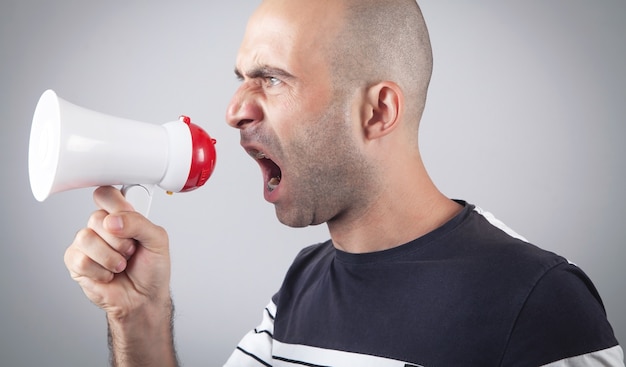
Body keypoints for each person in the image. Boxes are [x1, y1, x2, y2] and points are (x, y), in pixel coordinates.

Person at [63, 0, 624, 366]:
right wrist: (139, 316)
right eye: (240, 80)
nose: (233, 110)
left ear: (378, 112)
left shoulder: (538, 301)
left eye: (272, 79)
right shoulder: (300, 285)